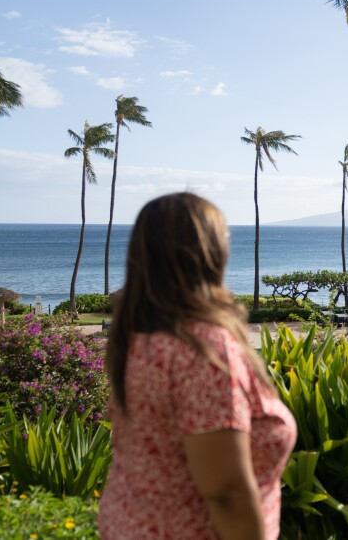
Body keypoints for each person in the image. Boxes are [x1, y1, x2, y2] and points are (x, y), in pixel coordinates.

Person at [99, 192, 296, 540]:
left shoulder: (137, 335)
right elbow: (227, 492)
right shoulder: (203, 348)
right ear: (210, 252)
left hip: (129, 524)